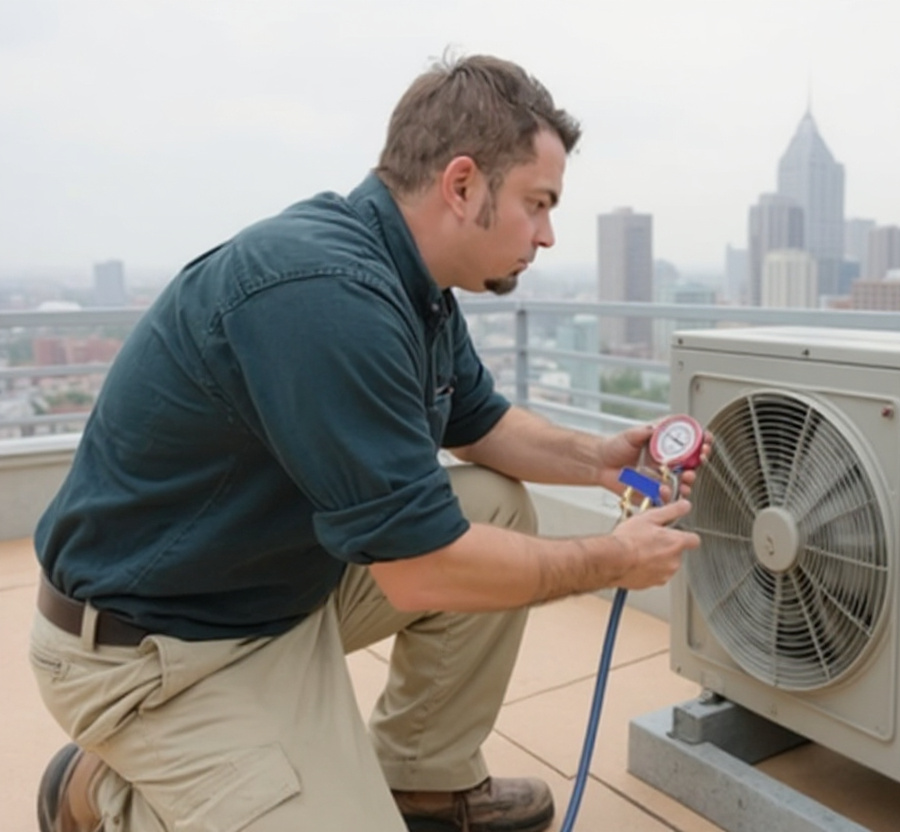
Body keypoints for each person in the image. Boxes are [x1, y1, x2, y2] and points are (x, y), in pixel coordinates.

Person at [30, 53, 704, 832]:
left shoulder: (413, 286)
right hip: (155, 649)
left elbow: (481, 423)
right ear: (462, 185)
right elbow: (422, 572)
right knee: (450, 553)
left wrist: (599, 460)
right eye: (537, 204)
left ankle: (423, 781)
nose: (547, 236)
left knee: (495, 505)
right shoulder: (327, 297)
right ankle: (102, 790)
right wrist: (610, 560)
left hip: (270, 588)